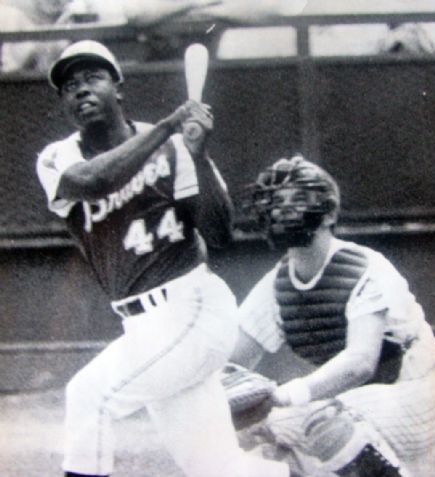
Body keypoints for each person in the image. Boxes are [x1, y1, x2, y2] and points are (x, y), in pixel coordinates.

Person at [36, 40, 293, 477]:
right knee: (217, 468)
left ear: (119, 89)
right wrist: (168, 128)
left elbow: (219, 232)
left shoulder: (176, 149)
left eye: (92, 78)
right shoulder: (58, 158)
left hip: (192, 309)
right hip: (142, 326)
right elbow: (93, 181)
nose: (80, 90)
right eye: (69, 86)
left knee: (89, 396)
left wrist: (197, 154)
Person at [230, 156, 435, 477]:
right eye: (277, 201)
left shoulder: (363, 266)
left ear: (329, 213)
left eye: (298, 199)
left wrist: (288, 394)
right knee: (247, 435)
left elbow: (361, 362)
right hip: (359, 401)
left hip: (416, 391)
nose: (284, 210)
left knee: (324, 424)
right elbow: (233, 362)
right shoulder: (276, 284)